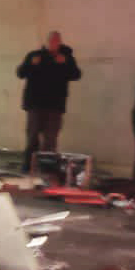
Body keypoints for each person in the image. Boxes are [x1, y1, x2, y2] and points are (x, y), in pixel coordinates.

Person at [16, 31, 80, 173]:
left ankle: (47, 170)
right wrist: (31, 65)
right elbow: (20, 73)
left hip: (55, 106)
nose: (54, 44)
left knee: (50, 140)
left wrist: (65, 64)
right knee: (32, 137)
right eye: (52, 41)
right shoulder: (35, 55)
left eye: (57, 41)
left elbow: (76, 75)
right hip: (35, 104)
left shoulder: (66, 57)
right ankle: (28, 167)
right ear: (47, 42)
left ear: (60, 42)